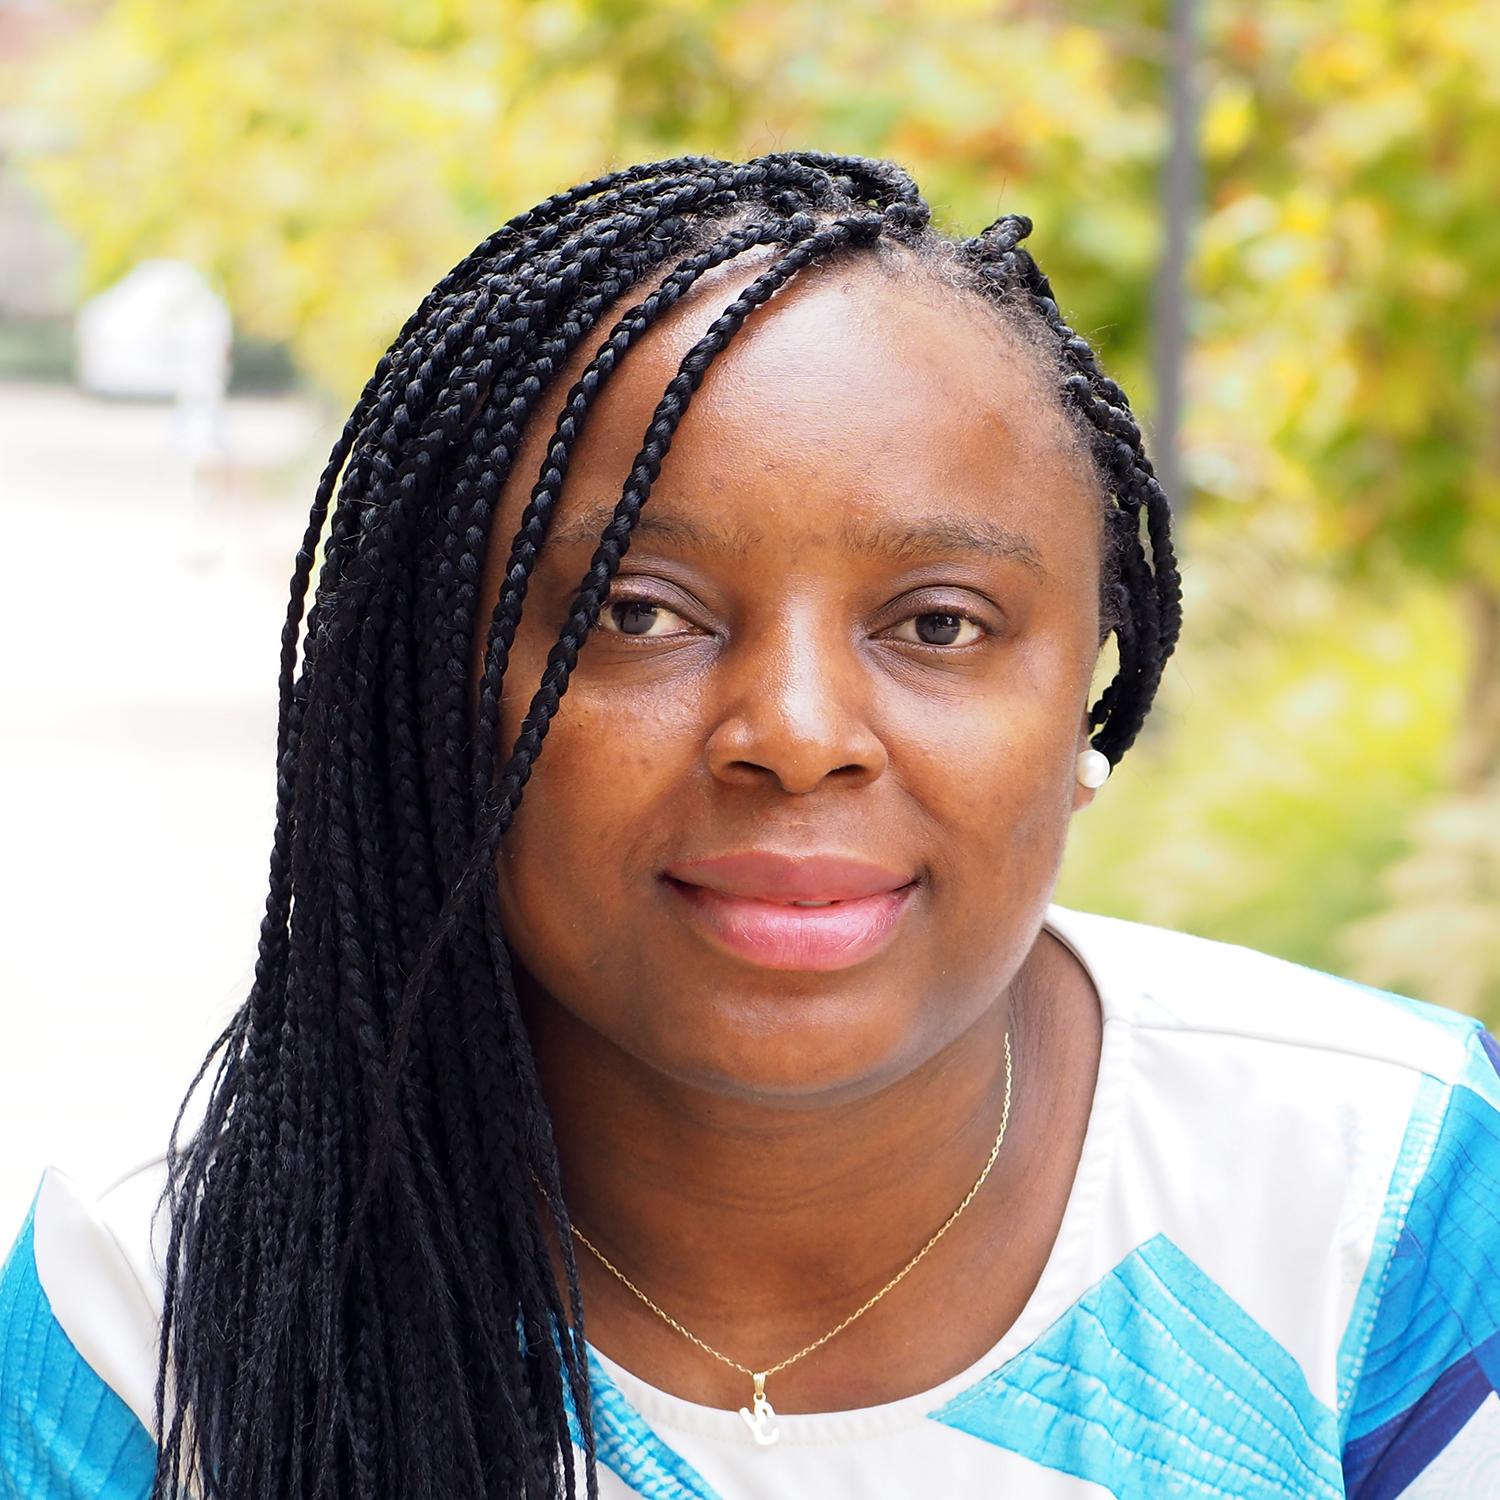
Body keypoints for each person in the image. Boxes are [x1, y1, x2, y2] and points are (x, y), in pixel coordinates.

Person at [2, 152, 1497, 1500]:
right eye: (638, 612)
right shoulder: (154, 1299)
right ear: (446, 693)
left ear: (1085, 709)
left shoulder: (1384, 1188)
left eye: (939, 622)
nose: (794, 735)